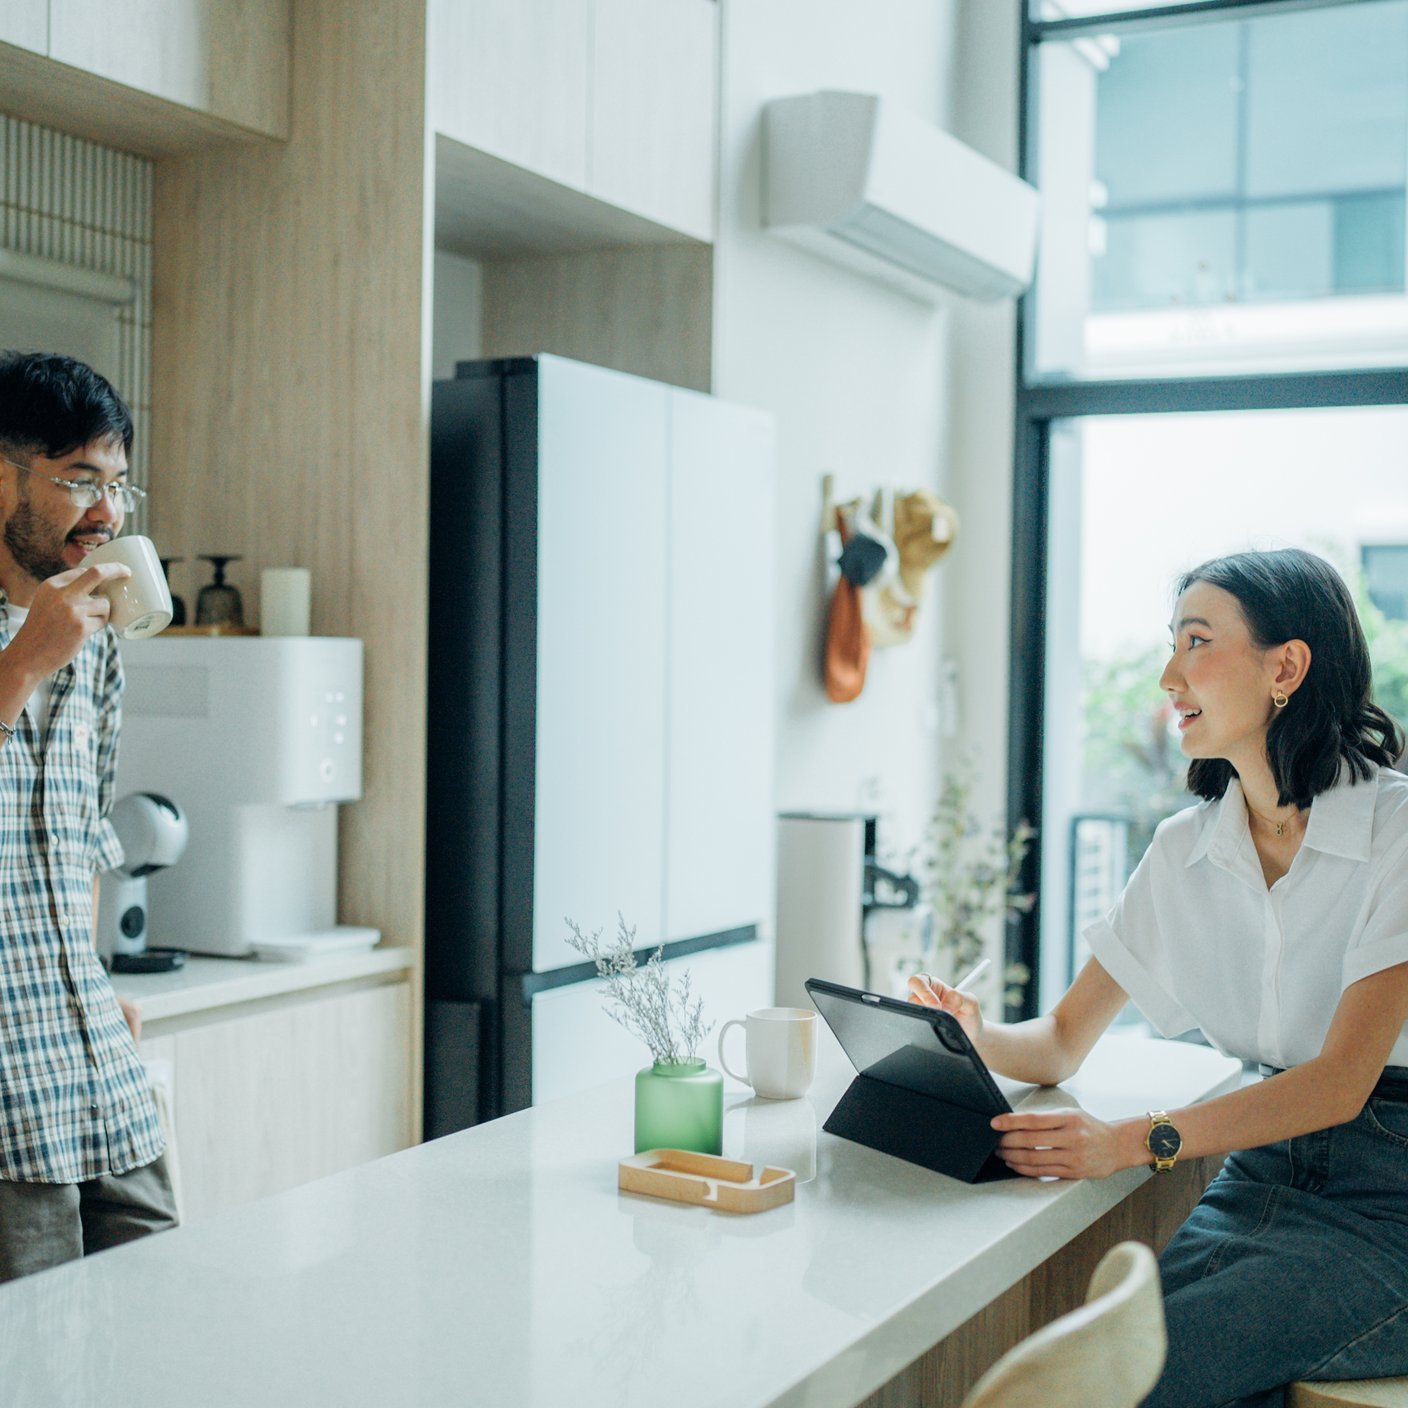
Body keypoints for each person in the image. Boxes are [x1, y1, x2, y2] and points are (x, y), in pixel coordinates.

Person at [910, 547, 1408, 1408]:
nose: (1168, 674)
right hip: (1263, 1175)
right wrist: (972, 1031)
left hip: (1391, 1200)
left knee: (1137, 1371)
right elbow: (1063, 1039)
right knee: (1144, 1358)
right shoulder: (1186, 850)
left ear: (1285, 666)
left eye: (1196, 641)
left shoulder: (1398, 833)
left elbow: (1337, 1083)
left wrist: (1133, 1139)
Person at [0, 350, 177, 1282]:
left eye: (117, 485)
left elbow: (80, 842)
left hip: (95, 1060)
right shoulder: (46, 643)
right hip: (5, 1096)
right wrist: (22, 662)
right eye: (77, 480)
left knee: (154, 1332)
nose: (105, 514)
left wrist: (97, 977)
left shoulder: (98, 640)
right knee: (35, 1365)